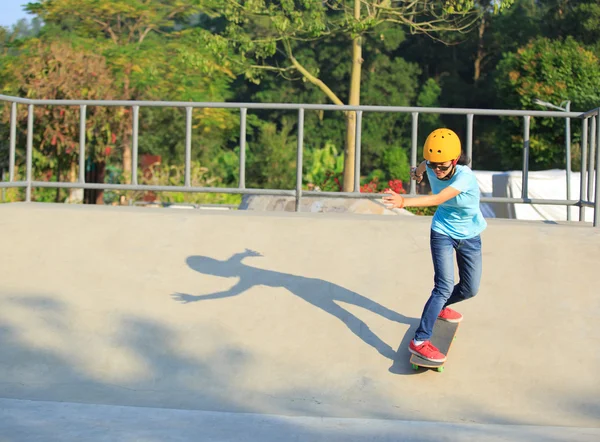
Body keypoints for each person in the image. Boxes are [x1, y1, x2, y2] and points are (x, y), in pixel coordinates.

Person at [382, 128, 487, 362]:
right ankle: (420, 340)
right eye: (434, 165)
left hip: (470, 236)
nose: (437, 170)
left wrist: (403, 201)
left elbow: (438, 199)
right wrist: (418, 173)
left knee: (471, 289)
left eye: (442, 166)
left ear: (455, 160)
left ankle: (438, 307)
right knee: (443, 286)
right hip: (441, 231)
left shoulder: (465, 177)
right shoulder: (430, 165)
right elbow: (421, 165)